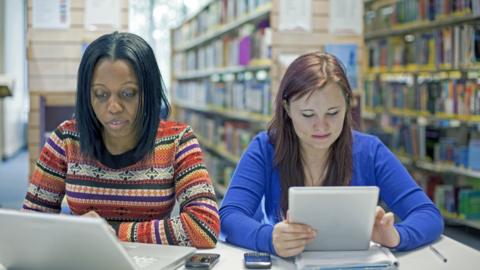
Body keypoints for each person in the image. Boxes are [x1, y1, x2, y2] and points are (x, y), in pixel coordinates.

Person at [219, 52, 443, 257]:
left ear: (347, 104)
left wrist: (396, 236)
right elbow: (229, 216)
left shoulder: (370, 151)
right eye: (308, 114)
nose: (321, 126)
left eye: (333, 113)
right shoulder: (265, 147)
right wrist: (269, 238)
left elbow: (428, 214)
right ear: (287, 109)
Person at [23, 32, 219, 248]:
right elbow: (31, 222)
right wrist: (75, 231)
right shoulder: (66, 139)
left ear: (148, 92)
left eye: (128, 93)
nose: (114, 107)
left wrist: (110, 231)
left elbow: (204, 226)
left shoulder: (178, 140)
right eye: (100, 94)